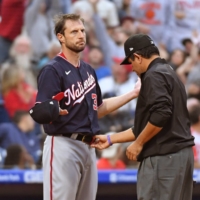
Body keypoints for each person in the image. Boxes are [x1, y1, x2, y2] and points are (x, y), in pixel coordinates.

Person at [29, 14, 140, 200]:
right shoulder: (53, 70)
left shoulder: (88, 70)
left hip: (89, 146)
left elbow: (99, 109)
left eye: (82, 30)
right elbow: (38, 110)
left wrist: (132, 94)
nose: (81, 35)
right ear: (60, 37)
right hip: (64, 143)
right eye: (74, 32)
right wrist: (52, 110)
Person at [91, 33, 195, 200]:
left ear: (138, 57)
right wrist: (111, 140)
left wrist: (138, 143)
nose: (131, 67)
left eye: (131, 61)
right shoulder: (169, 72)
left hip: (164, 158)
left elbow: (161, 114)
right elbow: (148, 124)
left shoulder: (153, 75)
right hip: (179, 156)